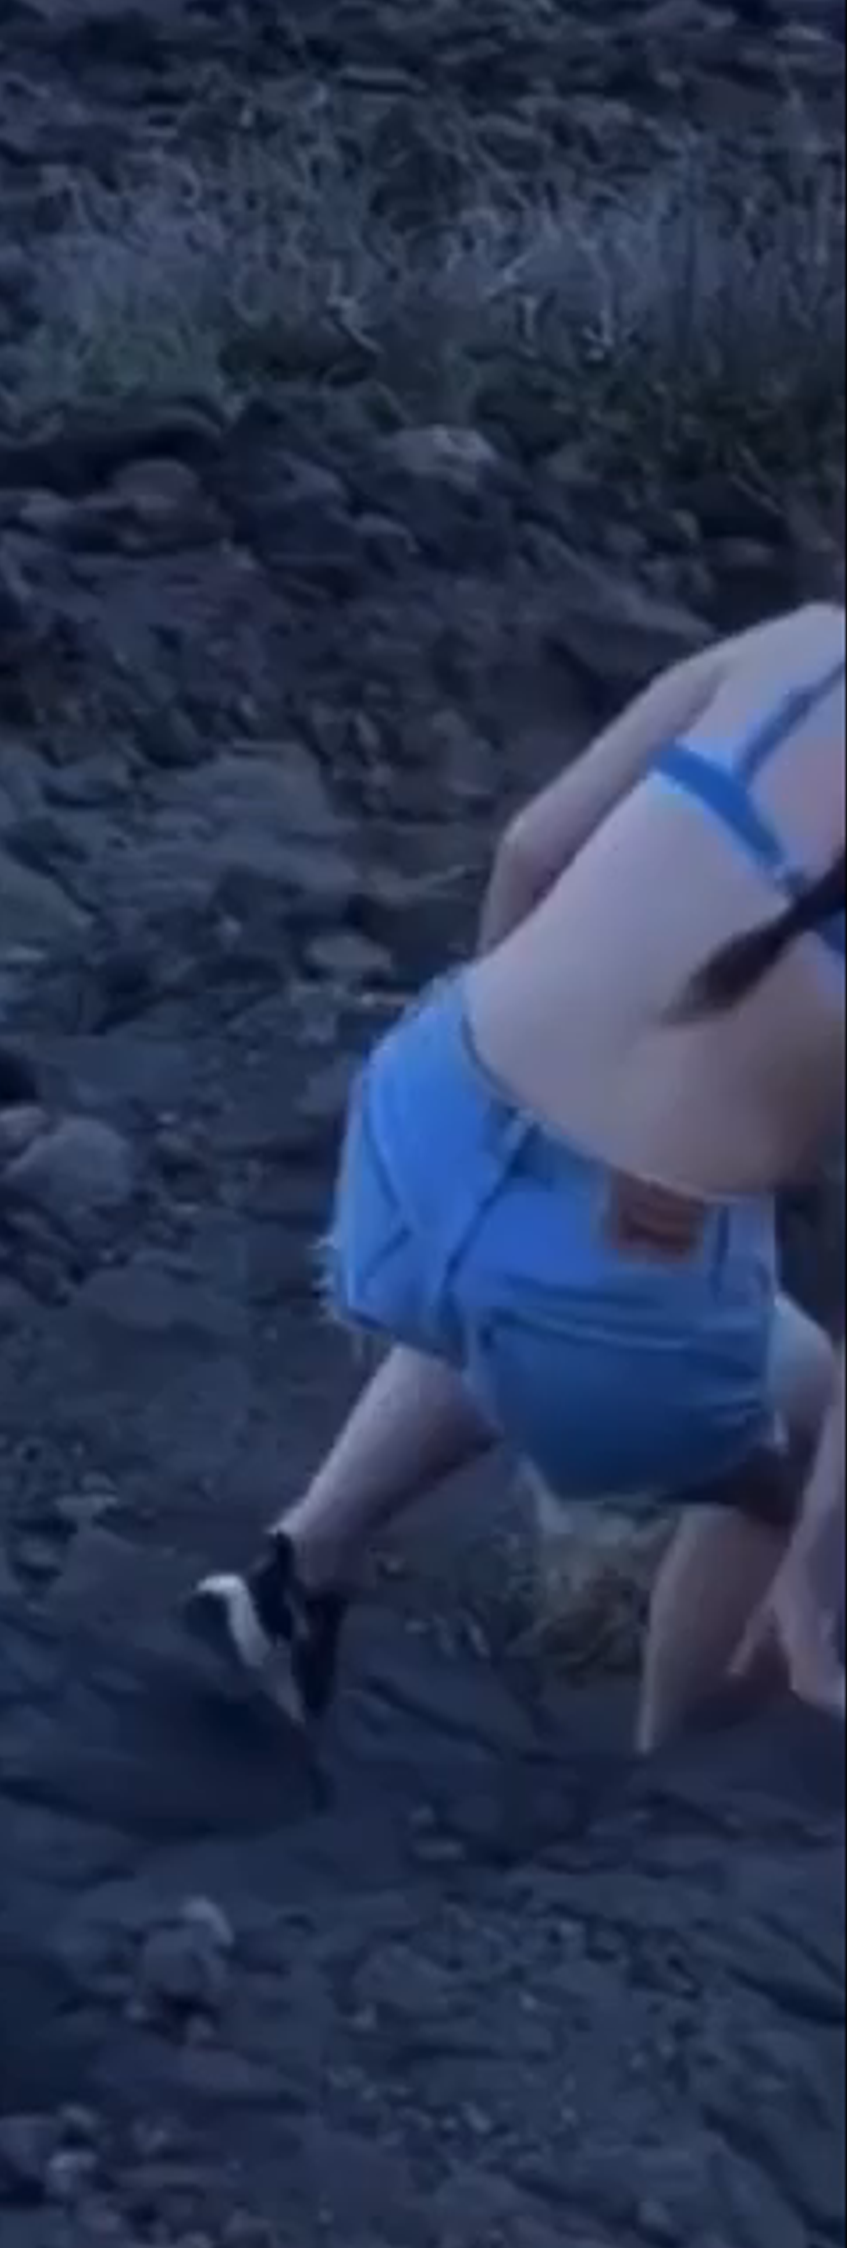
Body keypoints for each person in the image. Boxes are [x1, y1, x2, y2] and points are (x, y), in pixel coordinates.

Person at [196, 601, 845, 1748]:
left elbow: (530, 849)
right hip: (608, 1294)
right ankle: (673, 1785)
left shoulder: (807, 640)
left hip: (413, 1137)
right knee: (801, 1448)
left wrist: (534, 1081)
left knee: (524, 1253)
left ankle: (299, 1568)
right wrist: (809, 1581)